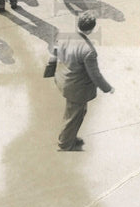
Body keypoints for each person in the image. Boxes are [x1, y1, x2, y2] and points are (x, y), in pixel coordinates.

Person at [47, 13, 114, 151]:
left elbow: (54, 53)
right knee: (73, 116)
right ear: (91, 30)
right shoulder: (89, 51)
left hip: (63, 79)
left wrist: (50, 71)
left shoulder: (63, 36)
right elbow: (95, 75)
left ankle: (69, 137)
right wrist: (108, 88)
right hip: (76, 88)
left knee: (77, 112)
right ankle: (65, 143)